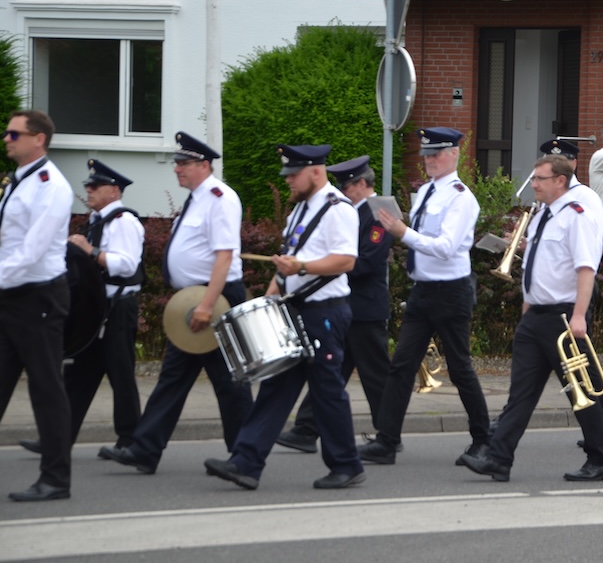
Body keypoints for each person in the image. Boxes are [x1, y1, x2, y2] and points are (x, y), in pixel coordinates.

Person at [205, 144, 365, 490]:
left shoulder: (338, 209)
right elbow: (287, 263)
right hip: (296, 309)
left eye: (294, 174)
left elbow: (345, 261)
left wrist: (301, 267)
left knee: (327, 390)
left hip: (325, 312)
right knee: (275, 386)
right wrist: (268, 299)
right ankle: (246, 462)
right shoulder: (300, 210)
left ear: (316, 172)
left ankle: (346, 465)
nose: (289, 180)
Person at [100, 132, 252, 474]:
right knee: (174, 377)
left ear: (204, 165)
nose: (177, 169)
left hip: (213, 298)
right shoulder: (197, 199)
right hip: (194, 298)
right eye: (177, 163)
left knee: (229, 380)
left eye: (183, 163)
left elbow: (224, 257)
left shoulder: (220, 198)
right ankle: (145, 449)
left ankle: (245, 456)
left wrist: (207, 306)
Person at [461, 154, 603, 482]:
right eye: (534, 179)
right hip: (535, 316)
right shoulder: (543, 215)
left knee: (580, 389)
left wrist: (580, 315)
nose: (534, 185)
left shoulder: (576, 215)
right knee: (521, 393)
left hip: (562, 316)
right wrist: (527, 306)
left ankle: (600, 459)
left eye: (540, 179)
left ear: (560, 180)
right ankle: (499, 458)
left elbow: (586, 268)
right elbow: (537, 265)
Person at [358, 127, 490, 465]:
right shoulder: (428, 191)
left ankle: (483, 440)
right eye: (427, 154)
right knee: (401, 366)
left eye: (436, 154)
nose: (429, 160)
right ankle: (387, 442)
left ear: (454, 154)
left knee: (460, 369)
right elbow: (422, 236)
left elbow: (445, 247)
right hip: (423, 291)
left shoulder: (460, 197)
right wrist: (401, 225)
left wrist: (402, 232)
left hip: (451, 291)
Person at [20, 160, 145, 457]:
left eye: (95, 186)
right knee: (79, 375)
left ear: (114, 191)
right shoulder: (94, 221)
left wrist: (89, 251)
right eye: (88, 186)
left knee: (121, 373)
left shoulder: (124, 222)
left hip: (118, 307)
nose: (89, 190)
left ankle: (130, 440)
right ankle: (57, 438)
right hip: (95, 309)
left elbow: (127, 265)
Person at [276, 155, 394, 454]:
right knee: (331, 371)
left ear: (363, 184)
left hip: (364, 308)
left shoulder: (379, 213)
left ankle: (388, 437)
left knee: (375, 375)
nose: (343, 190)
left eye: (348, 185)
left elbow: (366, 261)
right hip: (343, 305)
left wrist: (322, 266)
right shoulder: (348, 211)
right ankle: (306, 429)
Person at [0, 111, 74, 502]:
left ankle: (56, 479)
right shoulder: (19, 180)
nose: (6, 139)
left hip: (38, 297)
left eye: (14, 133)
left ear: (38, 139)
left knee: (46, 389)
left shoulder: (51, 186)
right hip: (11, 293)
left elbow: (32, 251)